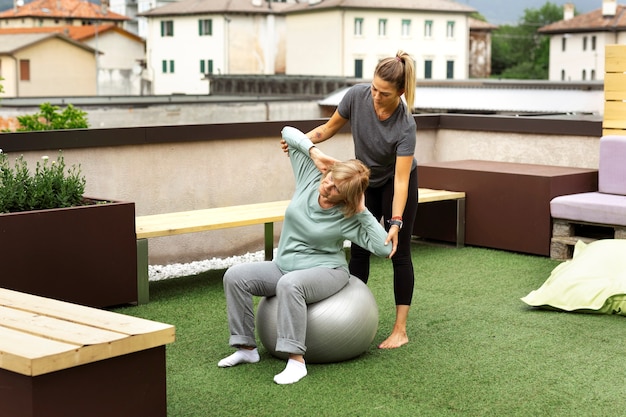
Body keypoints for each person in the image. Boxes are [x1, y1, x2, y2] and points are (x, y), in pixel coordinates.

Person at [218, 126, 393, 385]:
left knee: (291, 284)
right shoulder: (311, 178)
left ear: (348, 196)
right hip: (283, 265)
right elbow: (287, 132)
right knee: (235, 276)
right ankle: (246, 349)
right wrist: (315, 153)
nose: (328, 185)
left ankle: (296, 361)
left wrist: (362, 210)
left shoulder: (350, 216)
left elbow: (385, 248)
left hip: (327, 272)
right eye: (330, 179)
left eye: (336, 188)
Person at [284, 50, 418, 349]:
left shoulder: (406, 125)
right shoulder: (357, 96)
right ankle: (350, 313)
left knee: (400, 252)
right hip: (364, 182)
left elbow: (401, 179)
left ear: (400, 92)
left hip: (395, 184)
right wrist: (303, 142)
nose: (375, 97)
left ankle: (400, 329)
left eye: (384, 93)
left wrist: (395, 221)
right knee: (358, 251)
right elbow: (328, 128)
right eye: (373, 88)